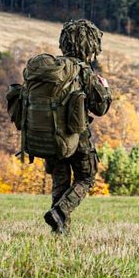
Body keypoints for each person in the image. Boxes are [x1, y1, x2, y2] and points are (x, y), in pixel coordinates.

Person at [43, 19, 112, 234]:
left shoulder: (52, 70)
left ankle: (60, 230)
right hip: (77, 135)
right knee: (86, 177)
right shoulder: (83, 71)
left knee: (60, 180)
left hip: (51, 135)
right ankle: (60, 212)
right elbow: (100, 108)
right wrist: (105, 88)